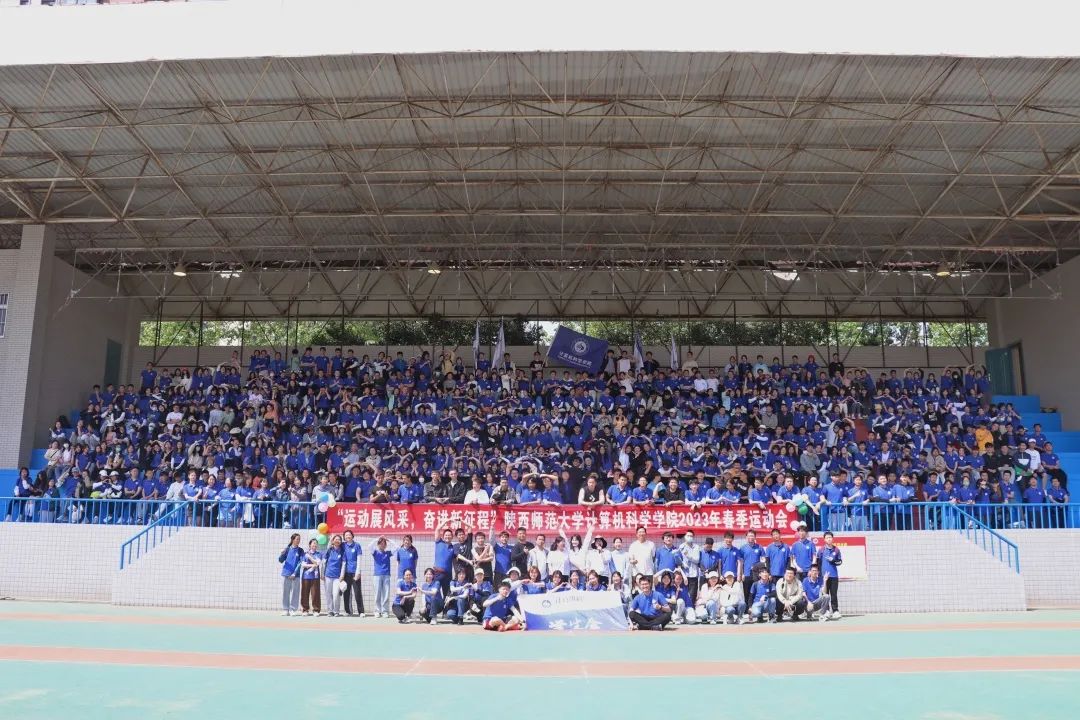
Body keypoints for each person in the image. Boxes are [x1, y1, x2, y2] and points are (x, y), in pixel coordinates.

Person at [340, 530, 365, 617]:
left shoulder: (357, 545)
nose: (348, 536)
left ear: (352, 536)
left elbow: (359, 559)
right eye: (346, 535)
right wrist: (331, 540)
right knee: (346, 592)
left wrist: (358, 572)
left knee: (357, 592)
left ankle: (361, 611)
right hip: (346, 573)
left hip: (355, 573)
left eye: (349, 535)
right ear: (344, 537)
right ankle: (348, 611)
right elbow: (332, 546)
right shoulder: (343, 545)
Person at [278, 533, 303, 616]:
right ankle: (286, 609)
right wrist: (282, 553)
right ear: (292, 539)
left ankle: (292, 609)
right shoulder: (287, 549)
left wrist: (295, 573)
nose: (298, 540)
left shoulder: (300, 550)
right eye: (297, 539)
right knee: (285, 592)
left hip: (296, 575)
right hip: (286, 573)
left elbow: (300, 562)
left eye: (299, 539)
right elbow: (280, 560)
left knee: (295, 592)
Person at [819, 531, 843, 619]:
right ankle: (826, 611)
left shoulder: (836, 550)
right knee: (825, 594)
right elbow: (818, 562)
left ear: (832, 539)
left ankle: (835, 611)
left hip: (834, 576)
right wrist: (820, 574)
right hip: (824, 576)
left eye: (830, 537)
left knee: (833, 594)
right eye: (827, 538)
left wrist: (833, 561)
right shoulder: (821, 550)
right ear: (824, 539)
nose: (829, 539)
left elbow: (840, 562)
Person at [322, 534, 346, 617]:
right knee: (328, 594)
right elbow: (324, 563)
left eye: (339, 539)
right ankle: (330, 611)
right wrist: (322, 574)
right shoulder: (329, 550)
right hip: (328, 575)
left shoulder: (342, 552)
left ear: (341, 542)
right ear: (333, 541)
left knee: (336, 594)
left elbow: (344, 564)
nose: (337, 541)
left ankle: (336, 611)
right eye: (336, 539)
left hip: (337, 577)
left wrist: (342, 575)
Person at [369, 536, 392, 618]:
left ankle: (385, 611)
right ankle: (377, 611)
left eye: (384, 544)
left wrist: (389, 540)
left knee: (386, 594)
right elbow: (369, 546)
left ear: (386, 545)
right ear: (378, 545)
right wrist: (377, 538)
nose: (382, 545)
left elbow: (397, 548)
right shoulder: (375, 552)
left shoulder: (388, 553)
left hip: (386, 575)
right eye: (380, 543)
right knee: (377, 594)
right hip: (377, 575)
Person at [300, 539, 323, 617]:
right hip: (306, 576)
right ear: (310, 545)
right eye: (313, 543)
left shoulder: (319, 554)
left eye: (316, 543)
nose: (315, 545)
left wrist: (309, 557)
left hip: (315, 577)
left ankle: (316, 610)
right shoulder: (305, 553)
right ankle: (305, 609)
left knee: (315, 593)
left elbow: (317, 563)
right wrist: (312, 565)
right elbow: (303, 565)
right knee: (304, 593)